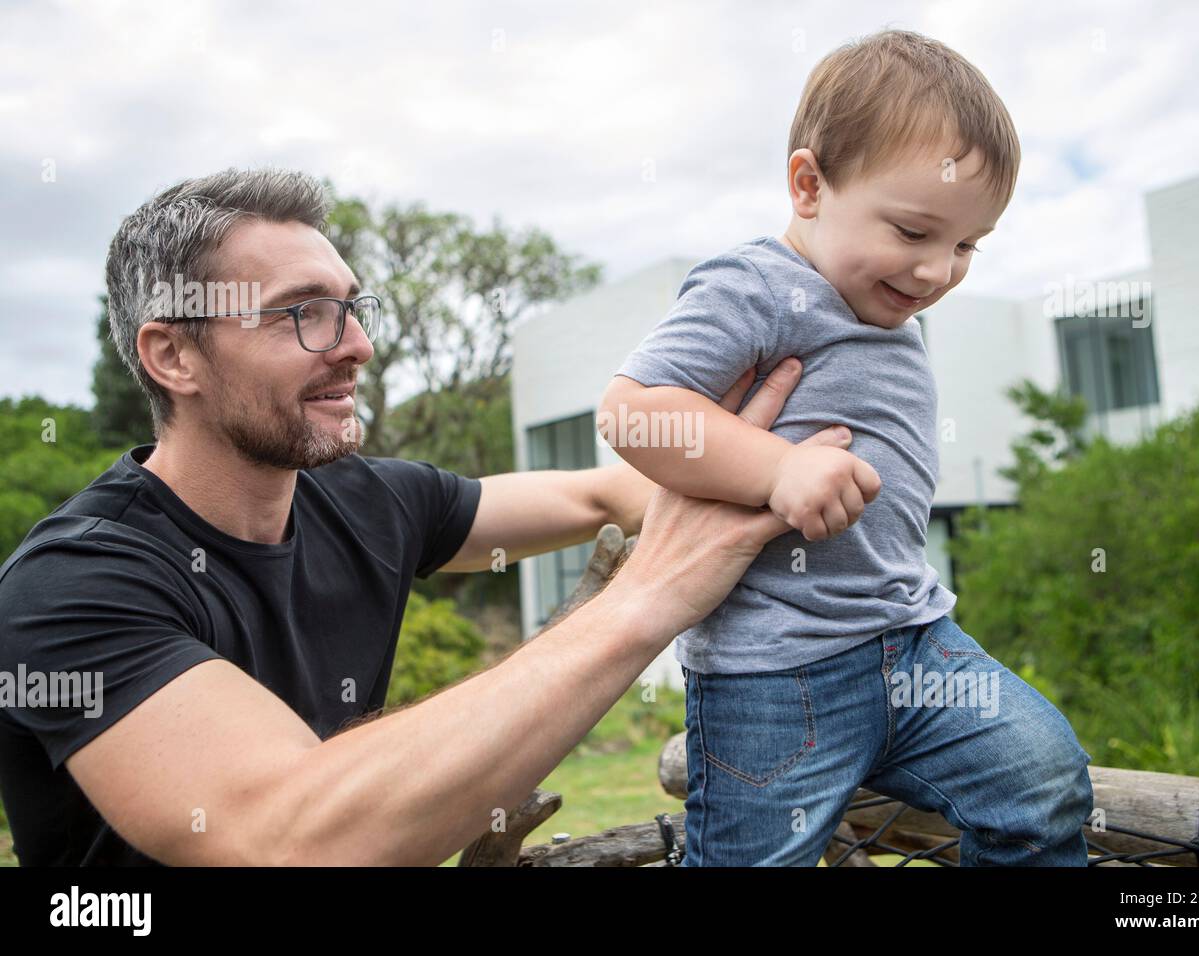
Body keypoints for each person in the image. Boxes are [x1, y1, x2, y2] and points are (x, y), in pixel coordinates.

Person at [0, 167, 853, 865]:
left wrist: (768, 469)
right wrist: (650, 597)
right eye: (305, 313)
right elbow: (283, 839)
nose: (359, 345)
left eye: (352, 308)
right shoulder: (73, 586)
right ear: (173, 354)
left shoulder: (365, 501)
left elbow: (599, 496)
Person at [599, 29, 1095, 866]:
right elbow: (632, 410)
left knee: (1044, 784)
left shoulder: (890, 308)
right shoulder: (757, 285)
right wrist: (778, 466)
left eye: (968, 246)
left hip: (914, 637)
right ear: (809, 185)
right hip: (774, 672)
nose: (938, 271)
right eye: (913, 231)